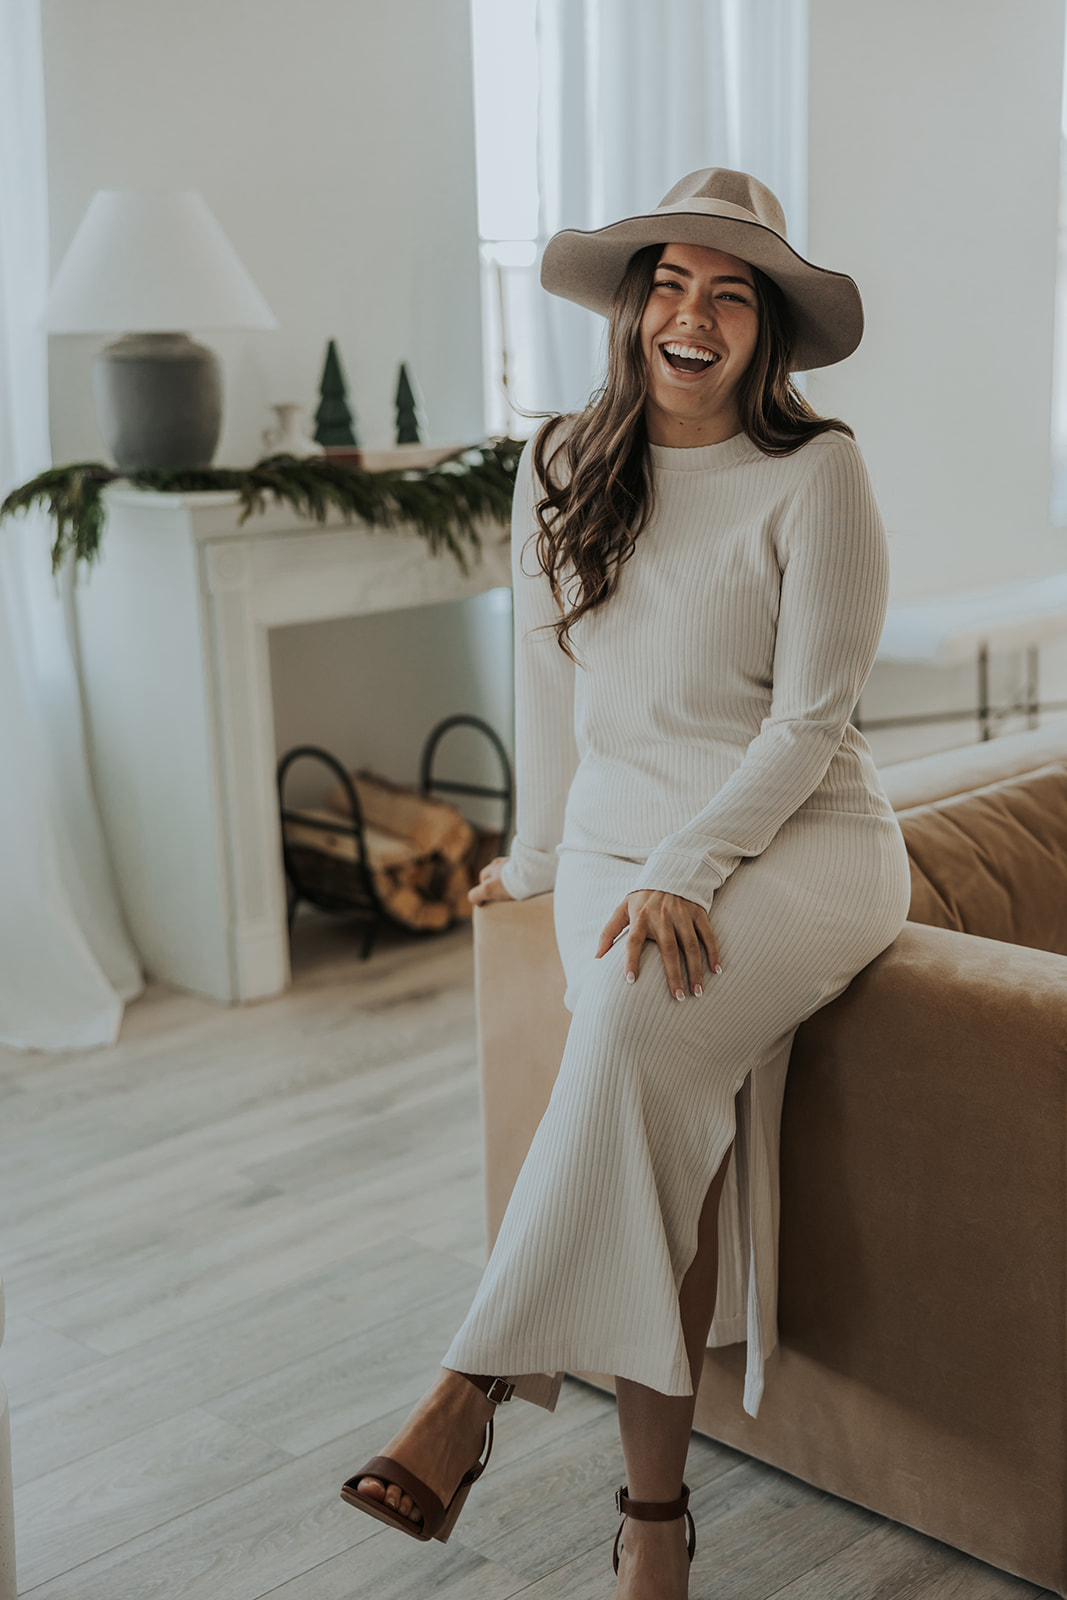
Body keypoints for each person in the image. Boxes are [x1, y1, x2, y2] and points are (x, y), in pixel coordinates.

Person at [340, 167, 911, 1600]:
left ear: (765, 331)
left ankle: (474, 1378)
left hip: (803, 842)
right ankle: (652, 1520)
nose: (694, 313)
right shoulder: (556, 464)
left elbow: (808, 723)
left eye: (731, 295)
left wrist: (687, 869)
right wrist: (534, 864)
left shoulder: (817, 469)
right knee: (655, 1115)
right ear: (630, 308)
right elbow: (546, 687)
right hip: (618, 842)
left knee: (638, 1018)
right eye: (670, 282)